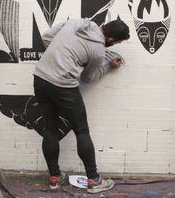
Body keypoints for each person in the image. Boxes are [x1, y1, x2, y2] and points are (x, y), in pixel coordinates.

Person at [33, 18, 130, 194]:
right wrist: (108, 66)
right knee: (82, 131)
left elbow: (46, 37)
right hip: (63, 86)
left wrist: (59, 56)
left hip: (40, 78)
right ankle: (93, 180)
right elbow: (87, 78)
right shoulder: (98, 51)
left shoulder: (78, 22)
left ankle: (55, 177)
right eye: (115, 43)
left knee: (50, 129)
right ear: (110, 40)